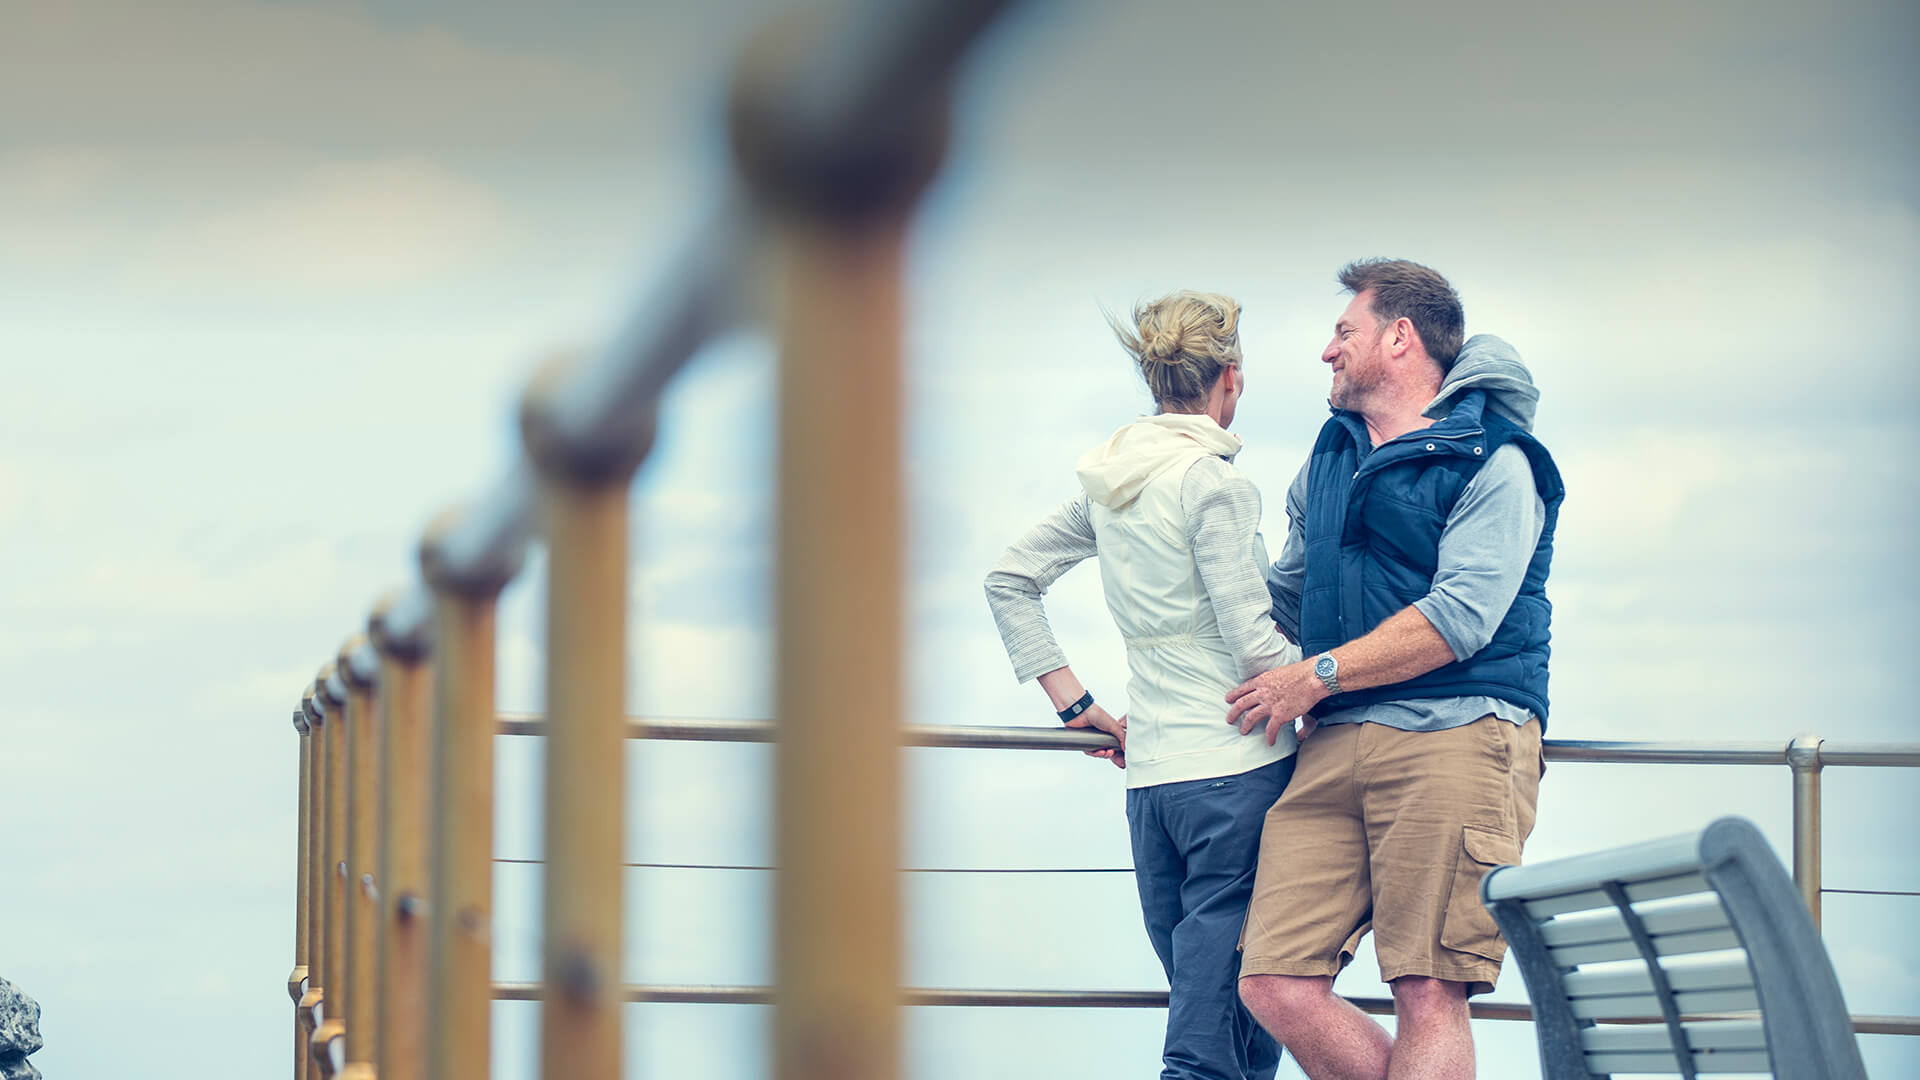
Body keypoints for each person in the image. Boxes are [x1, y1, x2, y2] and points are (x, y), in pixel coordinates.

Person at [1226, 259, 1564, 1080]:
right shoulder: (1332, 458)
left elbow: (1460, 618)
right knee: (1272, 980)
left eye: (1345, 331)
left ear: (1400, 338)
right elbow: (1285, 597)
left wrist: (1322, 673)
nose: (1326, 351)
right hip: (1336, 737)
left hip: (1458, 733)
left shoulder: (1498, 458)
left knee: (1428, 989)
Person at [984, 291, 1299, 1080]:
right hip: (1237, 777)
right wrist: (1329, 672)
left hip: (1153, 786)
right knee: (1207, 1042)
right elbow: (1254, 644)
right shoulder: (1214, 485)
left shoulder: (1113, 481)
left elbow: (1010, 578)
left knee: (1235, 1026)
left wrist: (1076, 707)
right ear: (1231, 378)